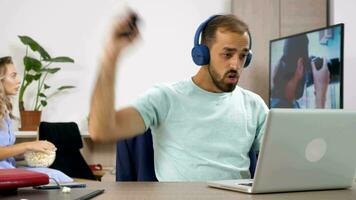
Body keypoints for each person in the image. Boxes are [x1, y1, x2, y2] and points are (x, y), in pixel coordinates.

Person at [89, 13, 269, 181]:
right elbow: (102, 130)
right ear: (202, 55)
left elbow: (285, 157)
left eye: (243, 56)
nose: (236, 65)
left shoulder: (254, 105)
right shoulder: (165, 98)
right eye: (227, 54)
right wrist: (111, 55)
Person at [0, 56, 72, 183]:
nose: (18, 81)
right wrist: (28, 145)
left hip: (9, 169)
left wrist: (32, 152)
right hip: (4, 174)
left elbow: (6, 152)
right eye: (13, 76)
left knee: (58, 176)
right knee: (57, 177)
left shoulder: (4, 111)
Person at [271, 35, 330, 108]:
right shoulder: (280, 108)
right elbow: (319, 120)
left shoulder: (289, 101)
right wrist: (321, 94)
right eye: (306, 67)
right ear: (300, 66)